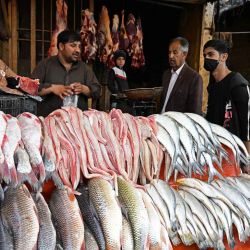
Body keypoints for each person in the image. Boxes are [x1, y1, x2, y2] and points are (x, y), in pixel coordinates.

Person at [32, 30, 101, 117]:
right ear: (61, 46)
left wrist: (84, 89)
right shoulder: (45, 65)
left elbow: (97, 91)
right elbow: (31, 88)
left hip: (77, 124)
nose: (78, 50)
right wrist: (52, 88)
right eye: (73, 46)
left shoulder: (84, 68)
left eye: (79, 46)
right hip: (50, 122)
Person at [203, 39, 250, 165]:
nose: (206, 58)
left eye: (211, 55)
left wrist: (247, 161)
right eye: (204, 55)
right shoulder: (212, 86)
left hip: (235, 155)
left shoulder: (238, 84)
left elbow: (247, 125)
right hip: (215, 152)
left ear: (224, 57)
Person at [160, 37, 203, 115]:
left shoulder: (194, 78)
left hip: (177, 124)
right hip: (161, 120)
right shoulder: (166, 74)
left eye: (175, 52)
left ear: (184, 54)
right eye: (169, 52)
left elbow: (195, 113)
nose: (171, 56)